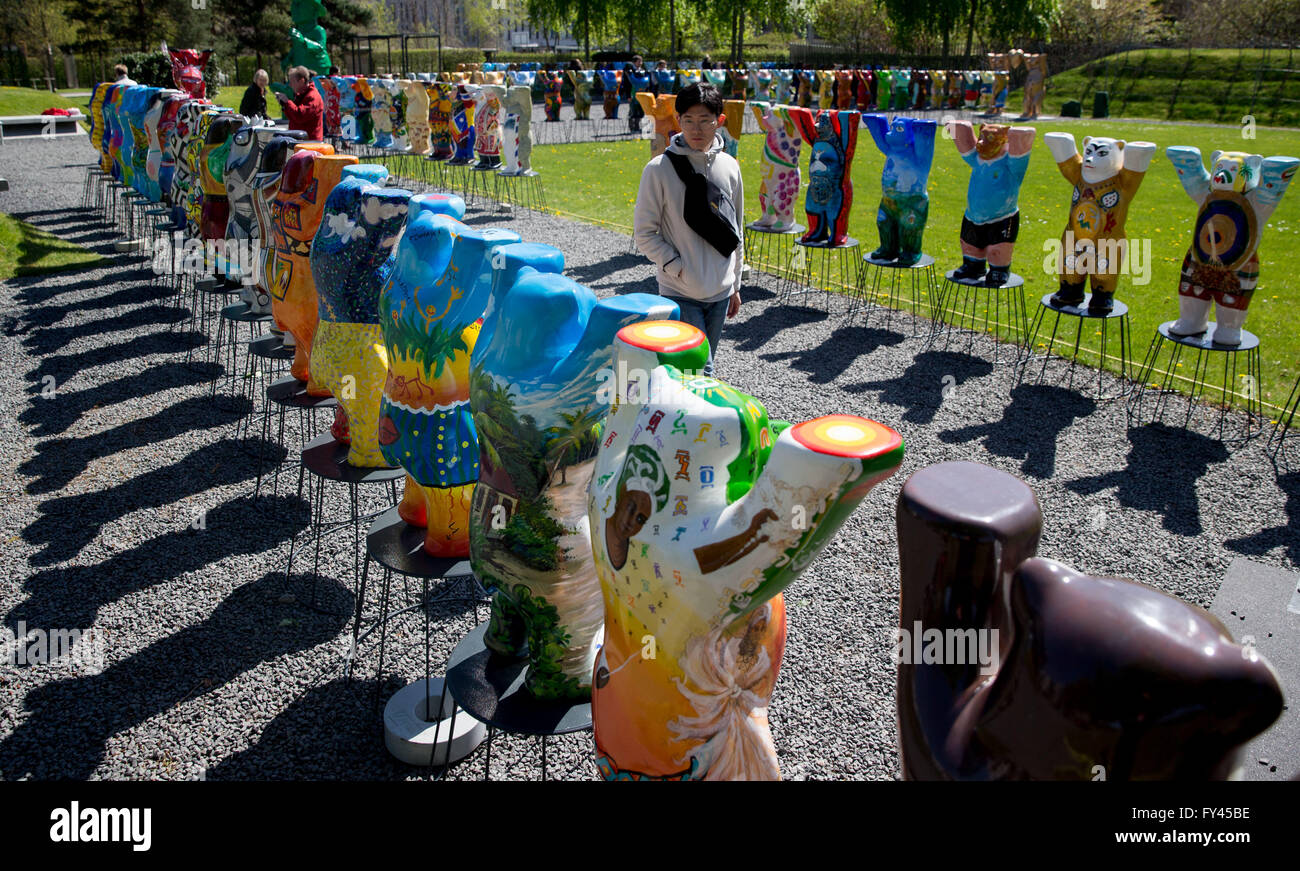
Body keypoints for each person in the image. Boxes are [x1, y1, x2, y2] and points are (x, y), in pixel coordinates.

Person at [633, 82, 744, 376]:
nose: (697, 129)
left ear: (720, 121)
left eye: (705, 120)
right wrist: (676, 266)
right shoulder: (659, 169)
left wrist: (735, 284)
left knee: (695, 372)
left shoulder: (730, 167)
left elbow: (736, 231)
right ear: (678, 120)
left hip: (720, 293)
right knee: (699, 371)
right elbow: (644, 232)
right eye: (689, 120)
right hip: (679, 291)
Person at [275, 65, 324, 140]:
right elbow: (293, 117)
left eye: (292, 82)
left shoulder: (313, 97)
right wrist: (284, 104)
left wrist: (287, 102)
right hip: (302, 142)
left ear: (301, 81)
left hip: (310, 144)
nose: (290, 85)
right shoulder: (302, 95)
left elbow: (299, 116)